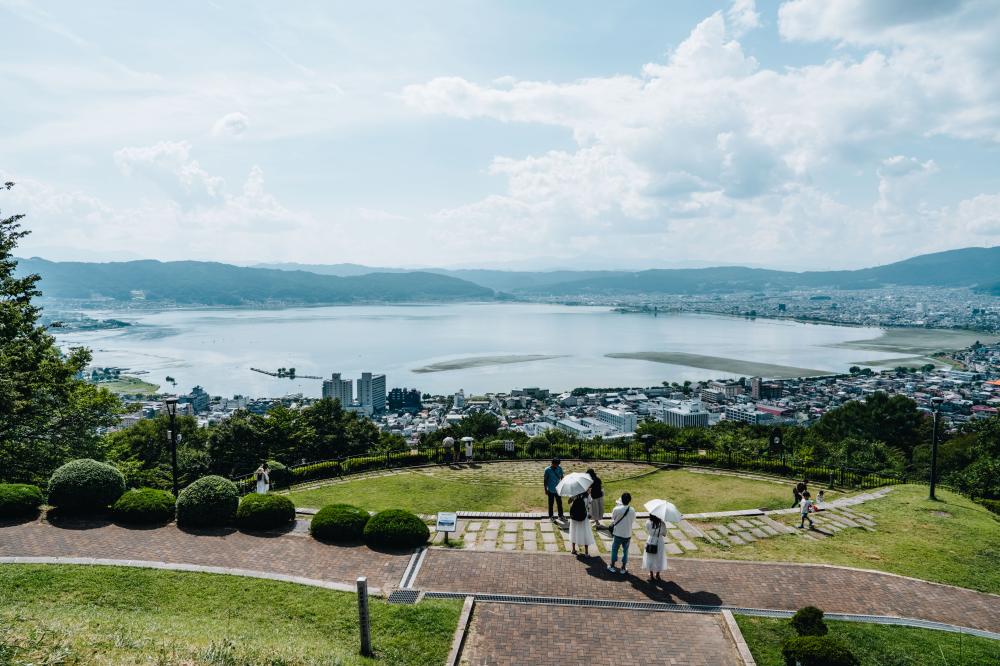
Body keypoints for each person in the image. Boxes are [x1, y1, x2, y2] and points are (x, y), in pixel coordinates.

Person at [607, 492, 636, 574]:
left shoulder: (616, 509)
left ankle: (612, 566)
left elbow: (613, 519)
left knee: (614, 550)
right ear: (629, 500)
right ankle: (623, 567)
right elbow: (633, 520)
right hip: (627, 534)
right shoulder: (632, 510)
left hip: (617, 533)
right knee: (625, 551)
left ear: (621, 500)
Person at [642, 514, 667, 581]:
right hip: (659, 541)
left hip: (650, 540)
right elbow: (664, 534)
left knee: (650, 557)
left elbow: (648, 530)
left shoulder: (648, 522)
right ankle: (658, 574)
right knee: (659, 557)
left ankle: (651, 574)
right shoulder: (662, 523)